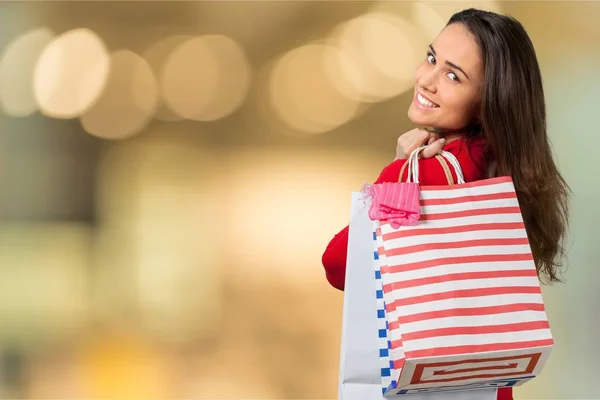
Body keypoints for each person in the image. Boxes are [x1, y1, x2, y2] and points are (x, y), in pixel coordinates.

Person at [322, 8, 570, 400]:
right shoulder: (504, 166)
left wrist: (396, 171)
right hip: (488, 388)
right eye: (432, 58)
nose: (426, 79)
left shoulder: (431, 172)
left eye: (453, 76)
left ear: (488, 99)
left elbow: (341, 265)